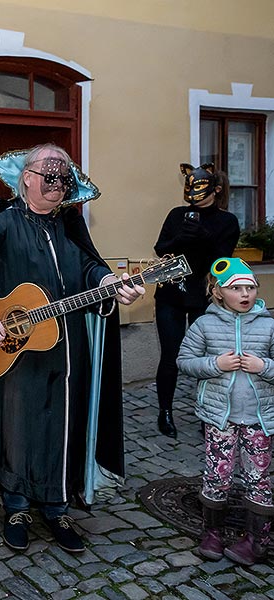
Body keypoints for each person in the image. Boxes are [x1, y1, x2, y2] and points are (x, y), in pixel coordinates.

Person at [0, 143, 143, 554]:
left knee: (63, 423)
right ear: (28, 179)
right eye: (50, 176)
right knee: (20, 425)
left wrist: (108, 284)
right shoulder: (4, 223)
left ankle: (56, 505)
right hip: (16, 347)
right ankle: (16, 506)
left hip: (68, 347)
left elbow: (91, 267)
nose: (58, 185)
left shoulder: (70, 225)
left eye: (64, 179)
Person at [177, 257, 274, 566]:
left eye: (250, 287)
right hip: (220, 419)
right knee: (216, 475)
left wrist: (264, 367)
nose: (245, 294)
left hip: (258, 419)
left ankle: (258, 540)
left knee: (258, 477)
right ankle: (213, 533)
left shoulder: (269, 325)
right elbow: (184, 361)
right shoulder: (204, 324)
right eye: (236, 288)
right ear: (217, 292)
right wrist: (214, 365)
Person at [153, 164, 239, 438]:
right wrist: (180, 238)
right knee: (171, 356)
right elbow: (160, 248)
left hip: (204, 295)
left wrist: (206, 238)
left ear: (215, 189)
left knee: (207, 358)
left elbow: (224, 261)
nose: (194, 198)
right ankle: (165, 412)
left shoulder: (227, 221)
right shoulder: (178, 215)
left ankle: (206, 412)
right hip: (171, 294)